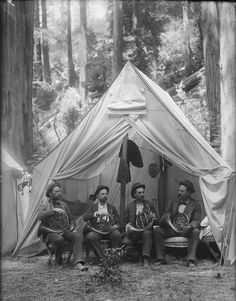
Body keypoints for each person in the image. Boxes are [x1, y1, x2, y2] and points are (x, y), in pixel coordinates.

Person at [37, 182, 88, 271]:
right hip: (50, 232)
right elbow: (40, 216)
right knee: (59, 239)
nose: (59, 193)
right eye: (56, 191)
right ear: (50, 193)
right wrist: (53, 210)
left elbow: (71, 219)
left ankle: (78, 263)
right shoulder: (44, 204)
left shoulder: (64, 204)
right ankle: (58, 262)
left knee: (78, 236)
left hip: (63, 230)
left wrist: (72, 227)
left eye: (60, 191)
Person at [154, 180, 201, 267]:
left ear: (189, 192)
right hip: (173, 229)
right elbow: (167, 214)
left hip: (186, 230)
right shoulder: (174, 202)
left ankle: (190, 260)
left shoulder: (196, 204)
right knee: (158, 230)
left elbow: (197, 220)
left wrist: (190, 226)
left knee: (196, 232)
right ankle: (161, 259)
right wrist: (165, 217)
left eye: (182, 191)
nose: (179, 192)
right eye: (179, 190)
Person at [122, 182, 159, 267]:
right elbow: (124, 222)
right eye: (139, 193)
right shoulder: (130, 206)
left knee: (147, 233)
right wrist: (129, 228)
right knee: (125, 242)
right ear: (134, 194)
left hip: (145, 230)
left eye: (143, 192)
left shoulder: (149, 204)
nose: (142, 194)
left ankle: (145, 258)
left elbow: (157, 221)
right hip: (133, 231)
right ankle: (136, 256)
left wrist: (154, 218)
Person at [83, 185, 122, 260]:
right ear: (97, 196)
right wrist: (95, 214)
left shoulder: (112, 208)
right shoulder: (93, 207)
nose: (105, 195)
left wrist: (116, 226)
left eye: (106, 194)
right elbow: (85, 217)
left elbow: (119, 222)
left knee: (117, 235)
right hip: (97, 231)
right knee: (90, 237)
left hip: (109, 230)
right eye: (102, 194)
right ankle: (102, 259)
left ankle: (113, 258)